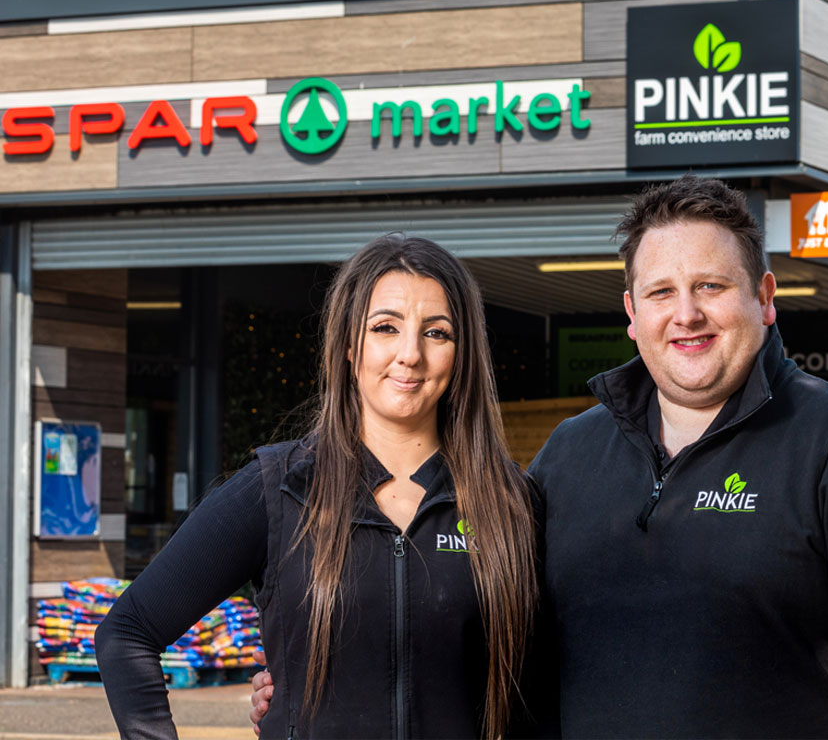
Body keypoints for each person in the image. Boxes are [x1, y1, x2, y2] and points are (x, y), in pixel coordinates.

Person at [253, 176, 828, 738]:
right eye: (660, 291)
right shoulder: (570, 454)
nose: (684, 314)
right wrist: (327, 666)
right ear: (632, 314)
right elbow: (489, 611)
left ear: (764, 298)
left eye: (710, 287)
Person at [96, 235, 546, 740]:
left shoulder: (511, 501)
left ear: (461, 354)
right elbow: (128, 632)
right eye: (385, 328)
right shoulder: (281, 487)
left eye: (436, 333)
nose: (410, 354)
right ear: (350, 347)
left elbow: (543, 684)